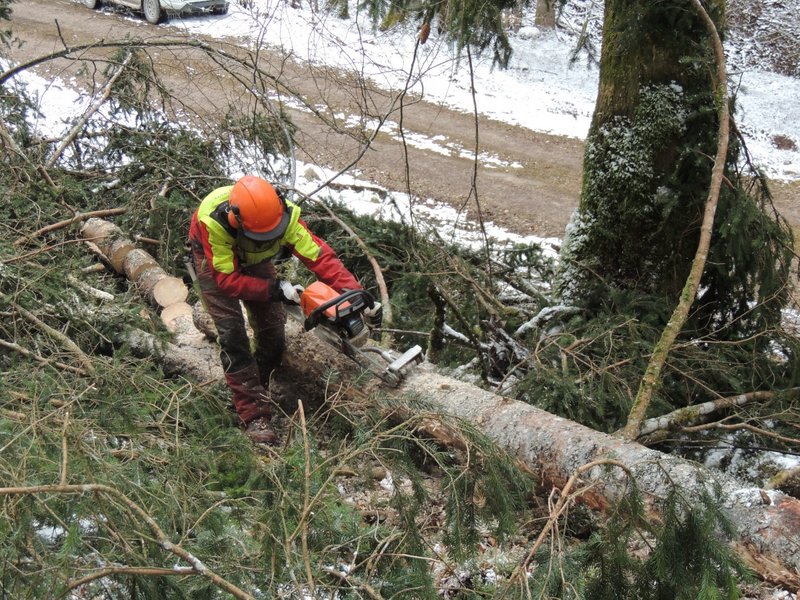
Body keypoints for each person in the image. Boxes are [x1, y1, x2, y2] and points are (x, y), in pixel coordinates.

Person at [188, 175, 362, 444]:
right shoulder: (213, 223)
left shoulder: (283, 216)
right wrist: (275, 289)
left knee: (273, 328)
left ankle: (261, 383)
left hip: (254, 256)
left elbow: (318, 255)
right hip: (215, 261)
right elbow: (228, 281)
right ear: (236, 220)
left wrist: (352, 293)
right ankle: (253, 414)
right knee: (232, 333)